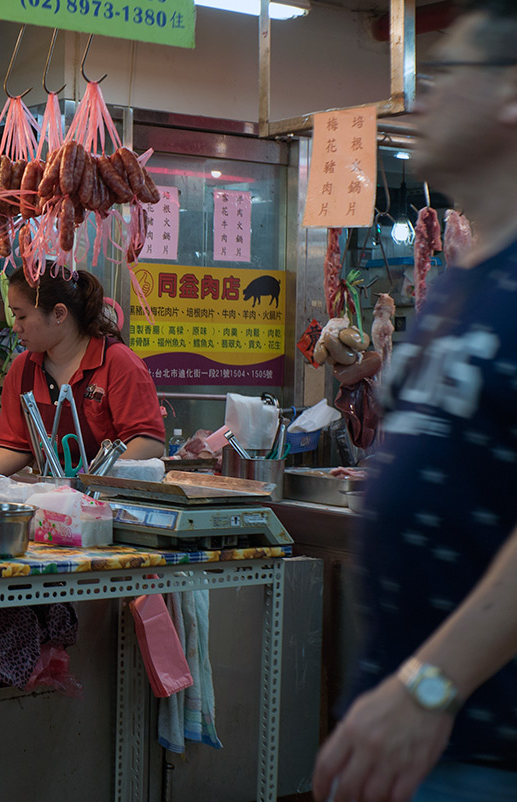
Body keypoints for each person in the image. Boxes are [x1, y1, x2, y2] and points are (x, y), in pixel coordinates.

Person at [313, 3, 517, 800]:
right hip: (406, 737)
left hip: (484, 748)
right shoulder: (460, 284)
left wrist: (431, 688)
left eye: (447, 74)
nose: (419, 97)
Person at [0, 269, 165, 476]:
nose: (15, 327)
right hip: (53, 492)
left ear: (59, 314)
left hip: (109, 492)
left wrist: (94, 478)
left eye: (22, 316)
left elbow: (148, 442)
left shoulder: (118, 363)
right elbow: (14, 448)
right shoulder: (23, 369)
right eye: (14, 316)